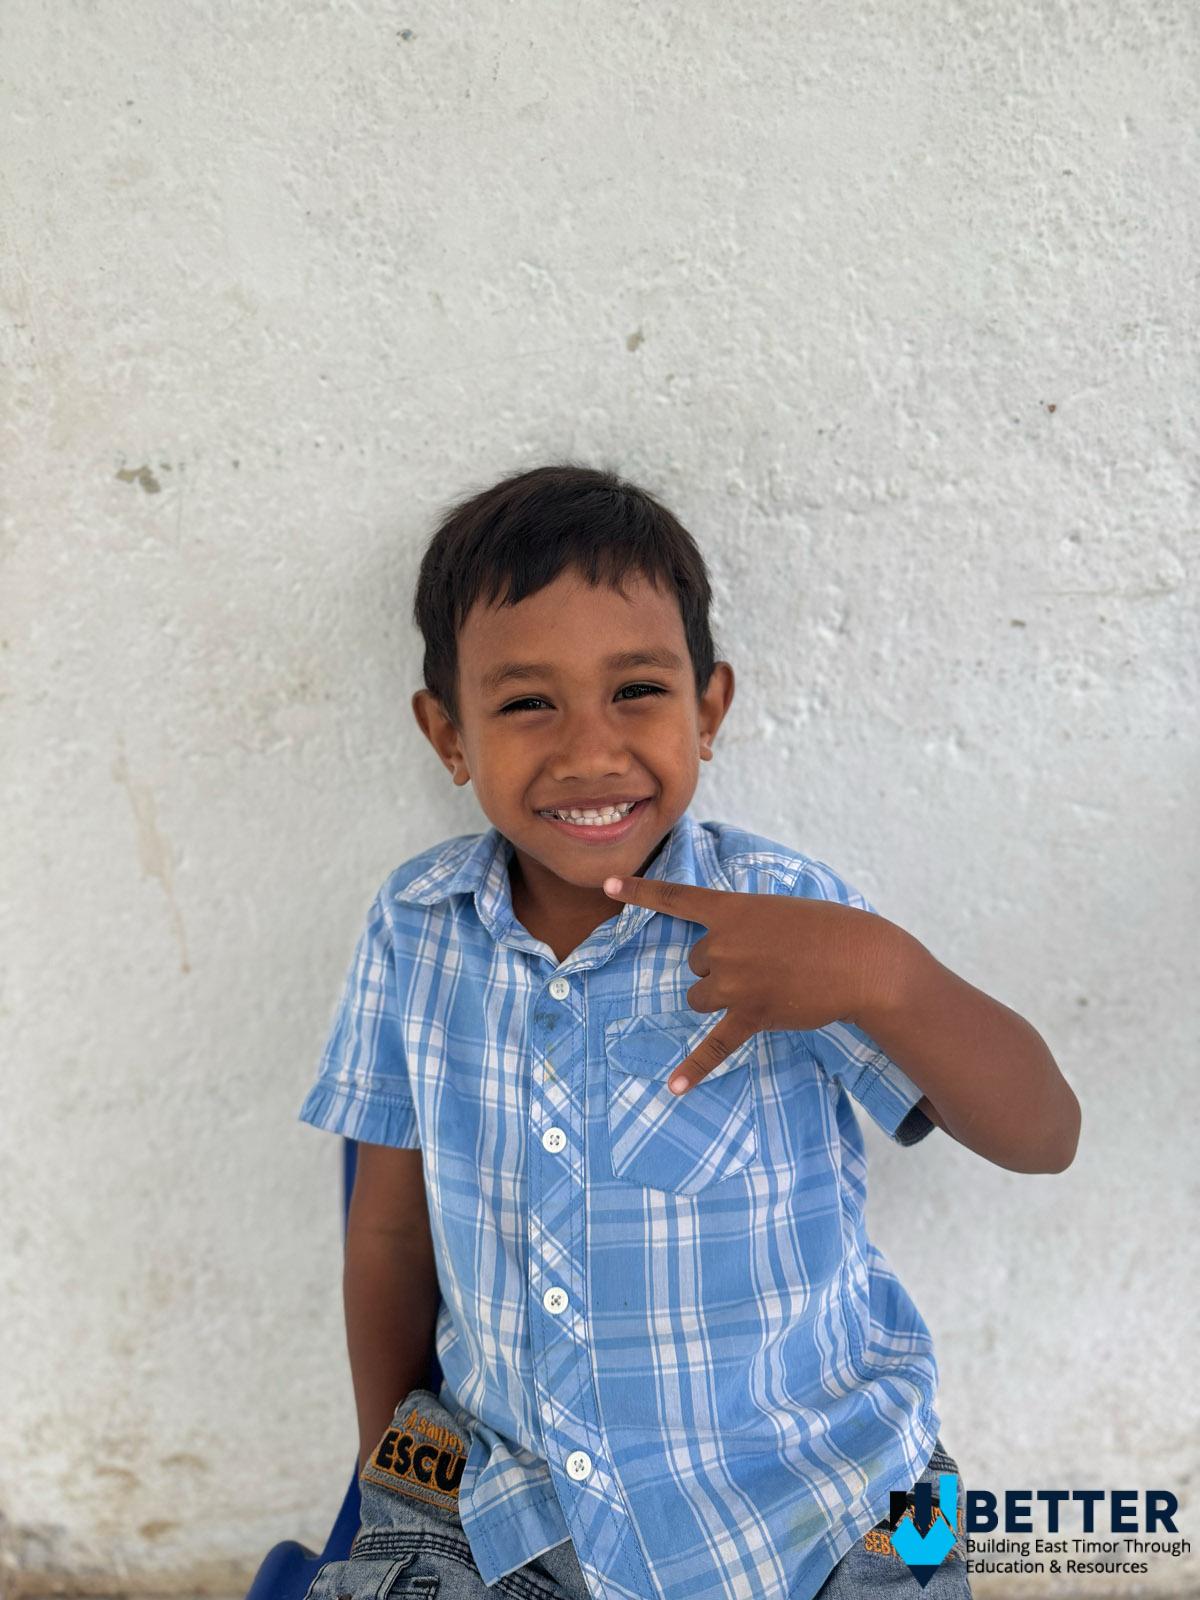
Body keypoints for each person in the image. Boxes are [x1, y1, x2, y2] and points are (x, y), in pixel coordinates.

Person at [297, 462, 1080, 1600]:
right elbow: (390, 1233)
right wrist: (393, 1482)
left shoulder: (786, 917)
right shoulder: (419, 929)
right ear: (448, 734)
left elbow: (1044, 1136)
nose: (589, 751)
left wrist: (884, 973)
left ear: (707, 711)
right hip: (511, 1510)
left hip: (828, 1507)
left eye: (636, 690)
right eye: (526, 703)